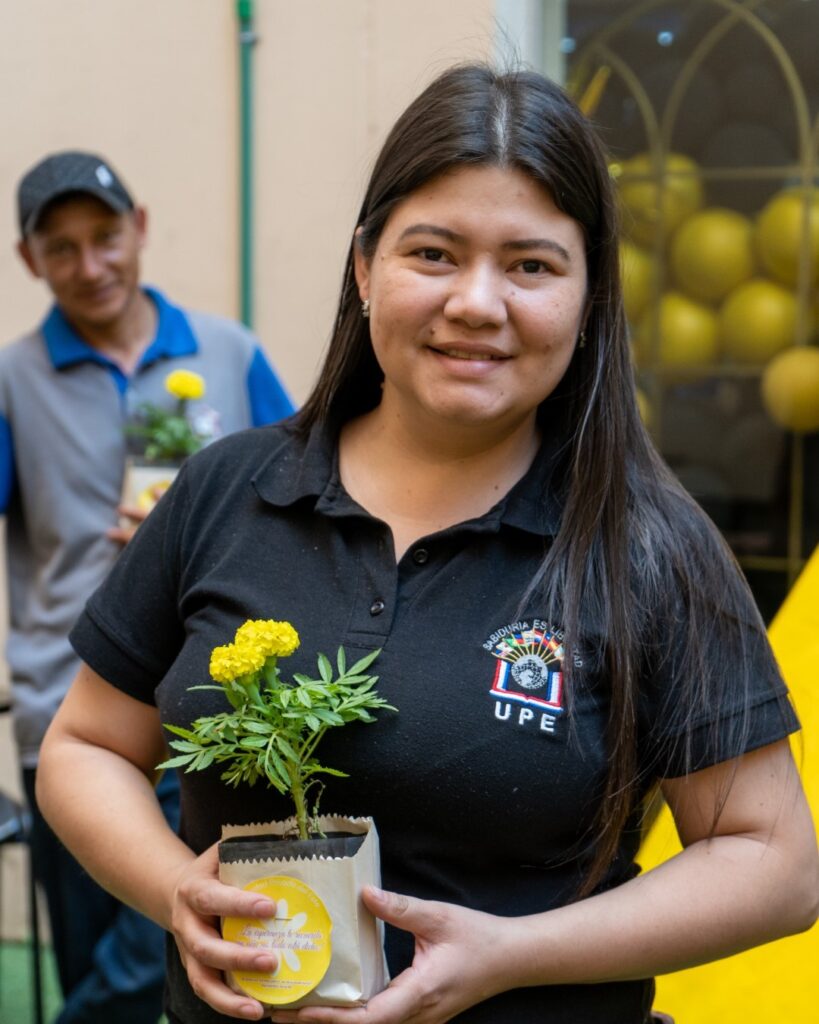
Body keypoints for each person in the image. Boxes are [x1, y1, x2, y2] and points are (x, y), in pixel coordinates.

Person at [36, 68, 818, 1024]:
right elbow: (84, 748)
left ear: (588, 294)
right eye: (434, 254)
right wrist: (173, 889)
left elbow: (773, 863)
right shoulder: (225, 491)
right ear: (365, 268)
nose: (477, 303)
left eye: (531, 265)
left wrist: (512, 955)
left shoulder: (647, 543)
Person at [2, 149, 294, 1023]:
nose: (90, 266)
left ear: (140, 228)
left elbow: (307, 498)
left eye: (104, 237)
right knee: (100, 946)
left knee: (168, 953)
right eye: (62, 248)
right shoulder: (13, 381)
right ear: (30, 261)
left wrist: (197, 530)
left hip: (222, 705)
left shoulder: (229, 352)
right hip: (71, 713)